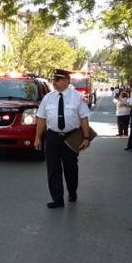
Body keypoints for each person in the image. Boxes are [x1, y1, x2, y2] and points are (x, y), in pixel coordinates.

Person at [34, 68, 91, 208]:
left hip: (71, 136)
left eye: (57, 80)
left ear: (66, 81)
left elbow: (84, 118)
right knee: (53, 169)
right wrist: (38, 138)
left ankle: (72, 191)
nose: (54, 82)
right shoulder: (48, 98)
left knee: (70, 168)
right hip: (52, 136)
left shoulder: (77, 97)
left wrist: (86, 137)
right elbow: (41, 119)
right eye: (54, 80)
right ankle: (57, 199)